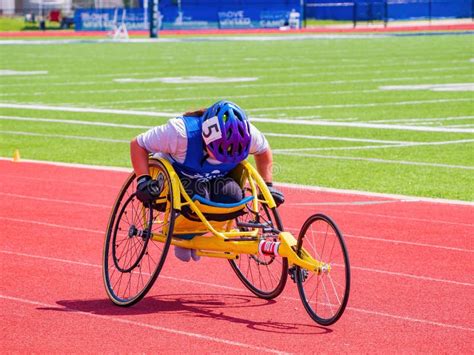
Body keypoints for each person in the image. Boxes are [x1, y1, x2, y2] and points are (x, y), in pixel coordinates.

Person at [130, 100, 284, 262]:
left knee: (233, 195)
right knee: (196, 192)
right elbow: (138, 144)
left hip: (215, 181)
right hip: (172, 182)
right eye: (217, 153)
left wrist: (267, 186)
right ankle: (183, 234)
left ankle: (194, 234)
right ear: (206, 137)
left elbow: (263, 151)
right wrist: (143, 180)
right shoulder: (179, 133)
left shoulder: (248, 133)